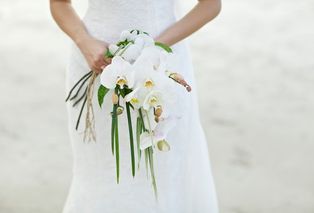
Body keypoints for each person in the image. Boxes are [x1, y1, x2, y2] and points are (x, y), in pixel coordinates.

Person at [50, 0, 221, 212]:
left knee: (163, 169)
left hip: (161, 66)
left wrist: (150, 50)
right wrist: (84, 41)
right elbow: (59, 3)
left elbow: (211, 6)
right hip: (95, 64)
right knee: (100, 171)